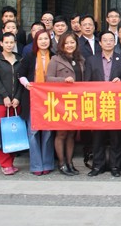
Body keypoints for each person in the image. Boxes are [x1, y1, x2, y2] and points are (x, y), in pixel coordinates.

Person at [85, 31, 121, 177]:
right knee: (98, 137)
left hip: (116, 104)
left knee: (116, 137)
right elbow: (86, 82)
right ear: (100, 43)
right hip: (98, 104)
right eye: (105, 40)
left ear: (114, 42)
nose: (108, 42)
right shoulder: (91, 60)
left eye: (111, 40)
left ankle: (115, 166)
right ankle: (98, 166)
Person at [17, 30, 55, 176]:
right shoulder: (29, 56)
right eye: (40, 39)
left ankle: (47, 163)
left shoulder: (54, 56)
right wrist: (27, 84)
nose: (43, 41)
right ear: (36, 41)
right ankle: (36, 165)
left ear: (50, 40)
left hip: (50, 100)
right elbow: (20, 74)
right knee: (33, 132)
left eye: (46, 39)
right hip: (32, 98)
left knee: (48, 132)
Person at [46, 32, 84, 176]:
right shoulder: (55, 59)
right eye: (66, 43)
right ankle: (61, 163)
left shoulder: (81, 59)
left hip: (76, 101)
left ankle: (70, 162)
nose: (69, 45)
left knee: (71, 133)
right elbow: (48, 79)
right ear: (61, 44)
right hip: (61, 102)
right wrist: (63, 80)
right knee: (61, 133)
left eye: (72, 42)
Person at [0, 32, 22, 175]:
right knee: (3, 132)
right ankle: (5, 163)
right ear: (1, 43)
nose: (9, 45)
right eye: (6, 42)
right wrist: (5, 96)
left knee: (14, 131)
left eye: (11, 42)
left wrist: (17, 97)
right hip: (0, 101)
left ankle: (12, 161)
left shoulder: (19, 59)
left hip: (16, 102)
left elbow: (22, 80)